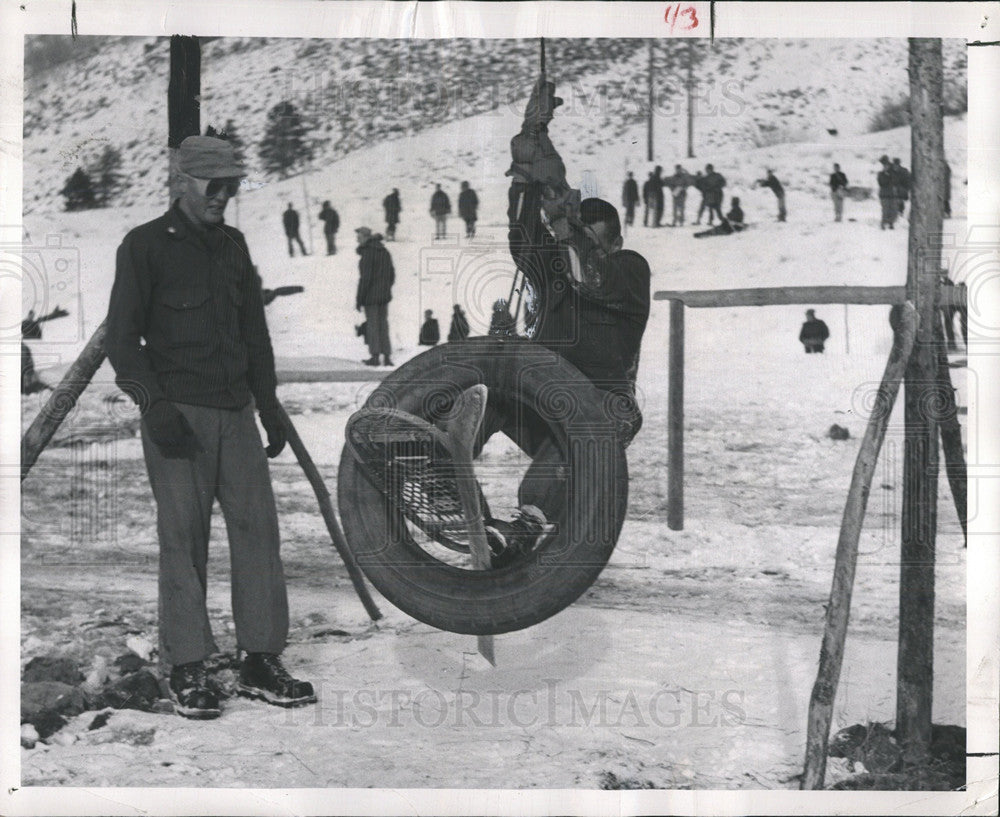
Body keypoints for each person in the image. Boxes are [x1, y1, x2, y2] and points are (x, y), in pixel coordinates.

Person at [104, 135, 315, 719]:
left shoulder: (233, 247)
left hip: (236, 412)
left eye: (232, 185)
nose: (223, 195)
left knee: (258, 535)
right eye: (212, 184)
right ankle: (189, 666)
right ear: (181, 181)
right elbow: (123, 339)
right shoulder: (144, 246)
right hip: (178, 416)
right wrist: (155, 405)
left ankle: (260, 658)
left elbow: (255, 334)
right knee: (183, 542)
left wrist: (268, 403)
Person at [355, 226, 395, 366]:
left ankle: (375, 356)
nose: (357, 239)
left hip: (371, 297)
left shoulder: (368, 253)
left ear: (366, 237)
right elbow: (392, 274)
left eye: (359, 237)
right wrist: (386, 289)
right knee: (383, 325)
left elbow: (365, 279)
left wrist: (359, 300)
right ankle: (387, 357)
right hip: (383, 296)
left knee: (373, 326)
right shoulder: (384, 251)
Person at [877, 155, 897, 230]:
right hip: (884, 195)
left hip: (892, 194)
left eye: (887, 165)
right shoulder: (881, 174)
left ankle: (890, 222)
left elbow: (895, 181)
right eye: (885, 165)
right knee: (885, 210)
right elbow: (881, 183)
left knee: (893, 209)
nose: (886, 166)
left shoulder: (893, 173)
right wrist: (886, 175)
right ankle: (883, 224)